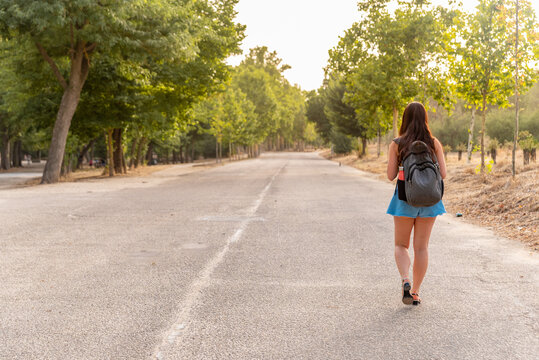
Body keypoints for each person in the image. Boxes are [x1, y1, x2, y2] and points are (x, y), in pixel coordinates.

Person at [386, 102, 447, 306]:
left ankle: (405, 280)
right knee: (421, 248)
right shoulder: (433, 142)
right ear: (425, 118)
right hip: (430, 200)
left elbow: (390, 175)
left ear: (404, 119)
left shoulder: (397, 143)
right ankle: (415, 292)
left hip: (405, 199)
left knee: (400, 245)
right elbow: (444, 174)